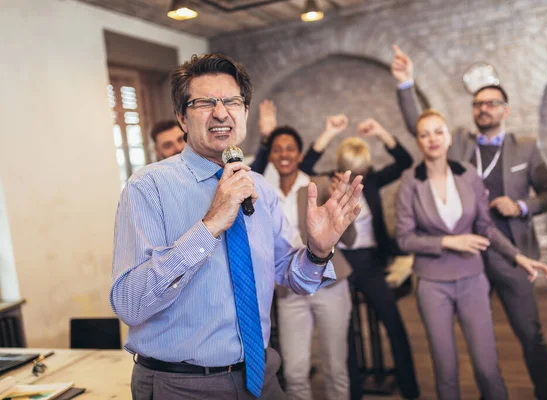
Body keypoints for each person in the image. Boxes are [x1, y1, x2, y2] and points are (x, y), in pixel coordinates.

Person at [110, 53, 364, 400]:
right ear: (182, 118)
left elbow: (297, 279)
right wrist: (211, 224)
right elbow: (129, 303)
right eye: (204, 103)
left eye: (231, 101)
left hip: (261, 375)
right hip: (182, 384)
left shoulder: (260, 188)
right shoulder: (147, 188)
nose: (220, 112)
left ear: (244, 112)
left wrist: (318, 252)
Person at [392, 45, 547, 400]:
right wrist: (406, 84)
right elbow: (421, 127)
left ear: (505, 110)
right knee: (468, 357)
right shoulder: (460, 147)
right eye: (478, 104)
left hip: (507, 249)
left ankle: (545, 393)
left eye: (492, 103)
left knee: (529, 333)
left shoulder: (525, 148)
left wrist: (522, 206)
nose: (484, 109)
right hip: (463, 260)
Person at [298, 116, 420, 400]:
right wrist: (328, 132)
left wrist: (380, 131)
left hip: (372, 262)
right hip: (340, 261)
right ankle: (352, 392)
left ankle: (410, 390)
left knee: (393, 324)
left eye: (362, 167)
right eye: (352, 167)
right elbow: (304, 167)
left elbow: (404, 160)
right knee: (346, 332)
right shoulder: (332, 180)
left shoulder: (373, 180)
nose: (357, 173)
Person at [263, 122, 355, 400]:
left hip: (329, 285)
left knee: (336, 367)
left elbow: (349, 238)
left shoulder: (321, 186)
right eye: (277, 149)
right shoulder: (263, 192)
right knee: (294, 371)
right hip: (288, 289)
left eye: (290, 148)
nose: (284, 154)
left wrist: (343, 207)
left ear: (301, 154)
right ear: (270, 156)